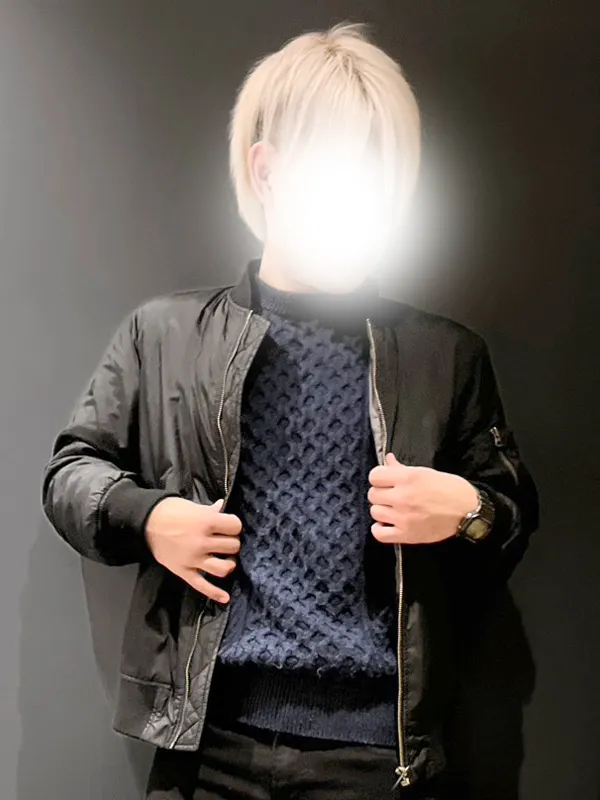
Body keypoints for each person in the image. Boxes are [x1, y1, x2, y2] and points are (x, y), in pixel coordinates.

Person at [41, 21, 540, 800]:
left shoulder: (446, 356)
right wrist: (151, 519)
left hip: (377, 759)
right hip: (207, 747)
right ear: (267, 172)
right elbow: (71, 473)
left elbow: (510, 514)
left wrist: (465, 509)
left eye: (384, 180)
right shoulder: (164, 334)